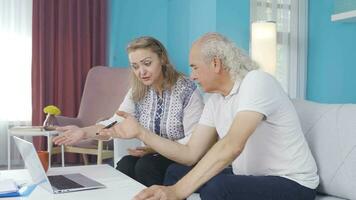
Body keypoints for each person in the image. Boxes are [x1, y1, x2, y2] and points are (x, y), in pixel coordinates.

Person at [99, 32, 320, 200]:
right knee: (176, 171)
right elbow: (190, 154)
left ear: (215, 63)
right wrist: (141, 132)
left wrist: (176, 192)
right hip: (251, 177)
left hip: (293, 183)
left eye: (195, 68)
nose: (192, 76)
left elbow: (232, 146)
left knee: (218, 188)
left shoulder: (257, 82)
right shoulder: (216, 101)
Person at [52, 36, 204, 187]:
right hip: (152, 155)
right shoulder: (138, 91)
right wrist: (83, 132)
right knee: (126, 164)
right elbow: (115, 122)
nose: (141, 72)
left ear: (162, 59)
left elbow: (192, 142)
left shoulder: (187, 91)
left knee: (146, 165)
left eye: (147, 63)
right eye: (135, 66)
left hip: (181, 157)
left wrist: (153, 148)